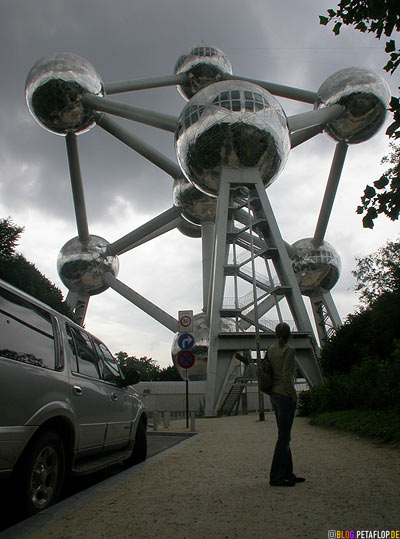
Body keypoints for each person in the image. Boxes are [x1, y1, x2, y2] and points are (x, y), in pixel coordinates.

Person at [267, 322, 305, 487]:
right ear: (289, 334)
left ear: (275, 334)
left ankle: (288, 473)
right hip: (284, 395)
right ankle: (276, 477)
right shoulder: (289, 350)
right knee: (283, 438)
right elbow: (285, 375)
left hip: (274, 395)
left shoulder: (270, 349)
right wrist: (293, 395)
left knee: (284, 435)